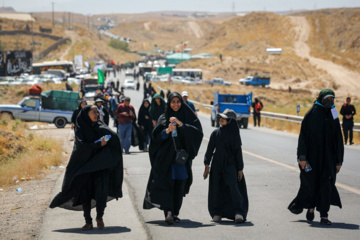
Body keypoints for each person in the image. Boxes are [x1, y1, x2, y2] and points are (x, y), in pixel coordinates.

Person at [49, 105, 123, 230]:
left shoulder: (100, 126)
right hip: (84, 167)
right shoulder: (81, 129)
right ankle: (88, 221)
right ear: (86, 114)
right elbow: (82, 148)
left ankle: (99, 217)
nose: (96, 114)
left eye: (97, 112)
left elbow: (114, 138)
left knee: (101, 193)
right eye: (93, 112)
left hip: (100, 166)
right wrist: (98, 144)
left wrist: (107, 143)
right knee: (85, 195)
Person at [143, 92, 203, 224]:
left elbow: (197, 133)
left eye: (178, 101)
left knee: (179, 186)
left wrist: (182, 125)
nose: (176, 105)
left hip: (180, 160)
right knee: (166, 185)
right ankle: (168, 212)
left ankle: (175, 212)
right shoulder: (164, 118)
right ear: (169, 103)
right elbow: (155, 138)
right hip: (166, 159)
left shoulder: (187, 117)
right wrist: (167, 131)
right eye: (173, 102)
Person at [288, 89, 344, 225]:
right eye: (327, 99)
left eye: (332, 99)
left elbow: (338, 138)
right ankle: (311, 208)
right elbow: (303, 138)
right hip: (312, 158)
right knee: (311, 184)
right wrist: (302, 157)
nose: (330, 102)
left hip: (329, 159)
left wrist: (339, 161)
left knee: (327, 185)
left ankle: (324, 215)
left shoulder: (333, 113)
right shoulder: (311, 114)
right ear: (320, 99)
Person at [203, 109, 248, 223]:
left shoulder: (235, 135)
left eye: (224, 118)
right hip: (217, 165)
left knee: (233, 187)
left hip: (230, 165)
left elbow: (238, 152)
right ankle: (217, 213)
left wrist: (240, 169)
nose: (220, 119)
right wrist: (207, 165)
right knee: (217, 187)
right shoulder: (215, 133)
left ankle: (238, 212)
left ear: (230, 121)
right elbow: (209, 150)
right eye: (220, 118)